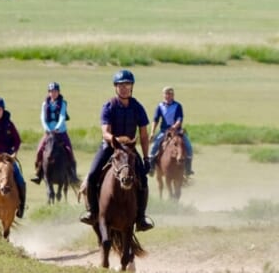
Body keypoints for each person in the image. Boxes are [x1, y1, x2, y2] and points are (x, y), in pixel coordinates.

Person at [79, 69, 154, 231]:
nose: (124, 88)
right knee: (92, 175)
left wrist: (147, 157)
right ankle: (92, 212)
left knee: (143, 180)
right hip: (110, 146)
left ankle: (141, 217)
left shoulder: (138, 107)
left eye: (127, 84)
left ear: (132, 86)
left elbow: (143, 135)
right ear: (115, 87)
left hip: (130, 150)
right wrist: (116, 140)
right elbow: (105, 132)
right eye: (121, 85)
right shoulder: (109, 106)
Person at [30, 82, 80, 185]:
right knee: (40, 149)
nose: (53, 93)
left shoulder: (63, 103)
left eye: (55, 91)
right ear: (48, 93)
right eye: (51, 91)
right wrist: (47, 129)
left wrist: (57, 128)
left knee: (69, 150)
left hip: (60, 132)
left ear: (58, 92)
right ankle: (38, 173)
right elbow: (42, 118)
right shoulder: (45, 104)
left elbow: (62, 116)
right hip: (48, 133)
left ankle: (73, 173)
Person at [147, 86, 195, 177]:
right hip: (164, 131)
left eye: (170, 94)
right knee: (154, 146)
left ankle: (188, 169)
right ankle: (151, 168)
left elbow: (179, 119)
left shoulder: (178, 106)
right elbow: (155, 120)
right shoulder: (160, 106)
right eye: (166, 94)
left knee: (188, 146)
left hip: (177, 131)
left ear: (173, 95)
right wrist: (152, 132)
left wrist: (174, 127)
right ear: (163, 95)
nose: (168, 96)